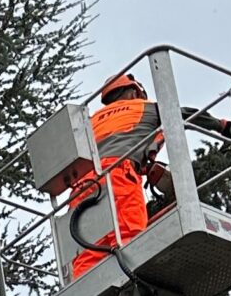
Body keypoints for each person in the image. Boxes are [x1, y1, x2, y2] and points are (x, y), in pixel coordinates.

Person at [68, 72, 168, 276]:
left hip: (81, 188)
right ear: (133, 93)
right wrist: (225, 127)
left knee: (87, 252)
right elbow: (181, 113)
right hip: (118, 176)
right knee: (128, 241)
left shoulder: (90, 122)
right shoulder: (146, 108)